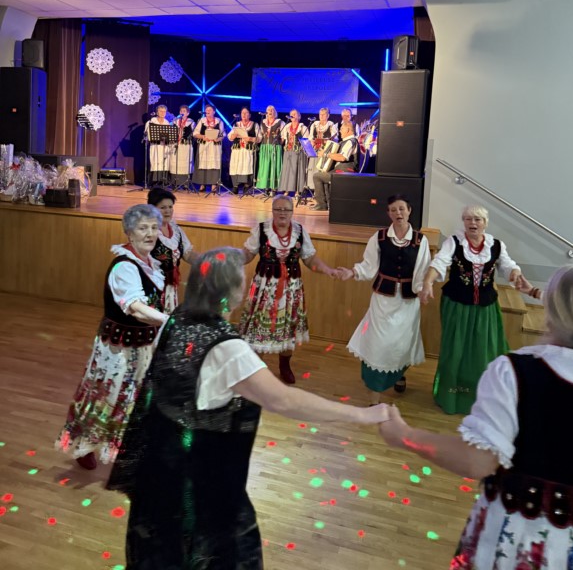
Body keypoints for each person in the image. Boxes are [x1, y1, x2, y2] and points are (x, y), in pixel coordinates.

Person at [107, 247, 390, 570]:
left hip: (160, 470)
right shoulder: (227, 347)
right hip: (200, 481)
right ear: (234, 290)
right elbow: (284, 400)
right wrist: (361, 415)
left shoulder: (176, 320)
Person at [379, 264, 573, 569]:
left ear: (552, 311)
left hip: (522, 541)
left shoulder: (516, 372)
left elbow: (478, 461)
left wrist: (405, 435)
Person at [55, 205, 167, 470]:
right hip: (118, 349)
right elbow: (136, 308)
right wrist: (169, 321)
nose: (150, 234)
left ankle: (131, 448)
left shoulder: (149, 263)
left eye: (154, 228)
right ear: (129, 232)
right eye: (143, 228)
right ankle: (84, 445)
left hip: (143, 344)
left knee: (139, 397)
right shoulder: (124, 267)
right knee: (106, 397)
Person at [420, 205, 522, 414]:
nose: (472, 223)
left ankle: (481, 396)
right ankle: (452, 395)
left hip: (485, 307)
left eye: (477, 219)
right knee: (455, 350)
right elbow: (439, 263)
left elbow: (508, 265)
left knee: (484, 350)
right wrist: (428, 282)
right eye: (468, 219)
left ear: (485, 223)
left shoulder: (496, 245)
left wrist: (515, 273)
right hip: (457, 305)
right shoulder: (454, 242)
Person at [337, 195, 431, 402]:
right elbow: (368, 266)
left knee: (402, 343)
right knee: (378, 344)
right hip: (383, 300)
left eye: (402, 209)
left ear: (409, 211)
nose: (398, 213)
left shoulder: (420, 240)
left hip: (408, 302)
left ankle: (399, 374)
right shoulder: (379, 237)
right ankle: (374, 398)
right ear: (388, 213)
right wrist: (352, 272)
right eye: (393, 210)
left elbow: (422, 270)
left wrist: (422, 289)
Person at [239, 194, 337, 384]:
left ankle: (285, 366)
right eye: (278, 209)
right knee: (259, 329)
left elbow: (309, 258)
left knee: (288, 330)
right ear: (272, 211)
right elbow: (248, 254)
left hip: (291, 289)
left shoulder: (300, 231)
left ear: (292, 212)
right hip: (264, 288)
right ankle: (255, 372)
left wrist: (327, 269)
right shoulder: (262, 229)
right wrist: (230, 259)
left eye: (286, 209)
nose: (282, 213)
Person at [147, 187, 195, 313]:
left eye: (170, 207)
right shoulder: (147, 232)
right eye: (163, 207)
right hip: (151, 286)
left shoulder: (176, 230)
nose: (168, 211)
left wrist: (209, 261)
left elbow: (188, 254)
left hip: (170, 287)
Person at [311, 120, 358, 212]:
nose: (340, 131)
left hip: (346, 171)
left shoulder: (351, 142)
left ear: (348, 130)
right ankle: (328, 204)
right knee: (323, 174)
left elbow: (342, 158)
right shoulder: (344, 142)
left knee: (317, 176)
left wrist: (326, 154)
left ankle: (322, 204)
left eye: (342, 129)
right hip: (340, 170)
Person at [228, 107, 260, 195]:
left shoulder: (254, 125)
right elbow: (230, 137)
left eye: (246, 113)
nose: (244, 115)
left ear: (249, 115)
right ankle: (235, 186)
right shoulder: (236, 124)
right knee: (235, 166)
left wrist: (250, 138)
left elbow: (259, 138)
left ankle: (247, 186)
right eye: (242, 113)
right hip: (237, 150)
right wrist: (234, 135)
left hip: (247, 150)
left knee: (247, 166)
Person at [193, 104, 224, 193]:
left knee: (214, 164)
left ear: (214, 111)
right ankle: (202, 184)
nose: (208, 111)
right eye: (206, 110)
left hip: (214, 146)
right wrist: (203, 137)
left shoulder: (219, 121)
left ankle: (214, 184)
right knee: (203, 164)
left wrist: (218, 138)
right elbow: (195, 133)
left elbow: (223, 134)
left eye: (210, 110)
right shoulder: (202, 120)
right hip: (204, 145)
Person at [278, 109, 309, 197]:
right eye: (291, 114)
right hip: (288, 152)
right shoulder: (287, 127)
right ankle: (287, 190)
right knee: (288, 171)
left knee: (297, 171)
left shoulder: (303, 128)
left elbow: (306, 142)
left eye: (295, 114)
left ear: (299, 117)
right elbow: (284, 139)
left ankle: (297, 191)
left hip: (299, 152)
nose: (293, 115)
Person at [307, 107, 338, 192]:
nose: (321, 116)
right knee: (313, 169)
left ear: (328, 115)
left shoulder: (331, 125)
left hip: (325, 152)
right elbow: (310, 137)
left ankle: (321, 191)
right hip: (315, 151)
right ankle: (313, 189)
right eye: (320, 114)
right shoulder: (314, 124)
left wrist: (326, 142)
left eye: (324, 114)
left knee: (322, 170)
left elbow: (335, 139)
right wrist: (312, 142)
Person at [255, 105, 284, 194]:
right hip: (265, 147)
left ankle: (274, 187)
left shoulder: (280, 122)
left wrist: (279, 145)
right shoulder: (263, 122)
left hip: (275, 147)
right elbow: (260, 135)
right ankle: (266, 187)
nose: (270, 111)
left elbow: (283, 137)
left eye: (272, 110)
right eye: (268, 110)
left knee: (274, 166)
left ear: (275, 112)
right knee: (265, 166)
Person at [144, 104, 172, 186]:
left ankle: (163, 181)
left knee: (164, 163)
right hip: (155, 145)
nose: (163, 113)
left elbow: (169, 135)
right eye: (161, 111)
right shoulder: (151, 121)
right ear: (157, 112)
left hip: (164, 146)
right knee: (155, 163)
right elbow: (148, 134)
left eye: (164, 111)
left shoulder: (167, 123)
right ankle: (154, 182)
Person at [169, 104, 194, 187]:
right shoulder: (175, 121)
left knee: (185, 163)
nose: (182, 112)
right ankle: (175, 182)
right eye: (181, 111)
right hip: (176, 144)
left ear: (188, 113)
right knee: (175, 162)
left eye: (184, 111)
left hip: (185, 145)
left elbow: (193, 134)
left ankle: (185, 183)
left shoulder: (191, 122)